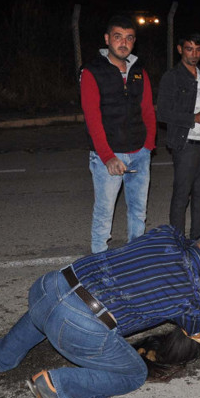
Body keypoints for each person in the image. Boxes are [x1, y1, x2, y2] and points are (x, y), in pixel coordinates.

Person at [0, 226, 200, 398]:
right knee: (133, 374)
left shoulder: (165, 236)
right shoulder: (187, 295)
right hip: (79, 324)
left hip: (49, 285)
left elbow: (183, 239)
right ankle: (57, 385)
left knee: (41, 315)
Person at [80, 15, 156, 253]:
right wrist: (107, 156)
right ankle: (99, 263)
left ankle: (135, 258)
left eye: (129, 38)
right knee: (104, 214)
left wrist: (148, 146)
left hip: (139, 153)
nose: (124, 43)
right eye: (118, 37)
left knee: (138, 211)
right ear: (107, 39)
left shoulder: (139, 71)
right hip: (109, 156)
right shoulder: (92, 71)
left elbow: (147, 110)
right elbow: (92, 118)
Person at [157, 32, 200, 240]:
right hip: (187, 144)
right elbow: (163, 113)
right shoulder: (172, 77)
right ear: (180, 49)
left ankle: (197, 240)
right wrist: (195, 118)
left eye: (198, 49)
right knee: (181, 196)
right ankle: (177, 243)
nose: (194, 54)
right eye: (189, 49)